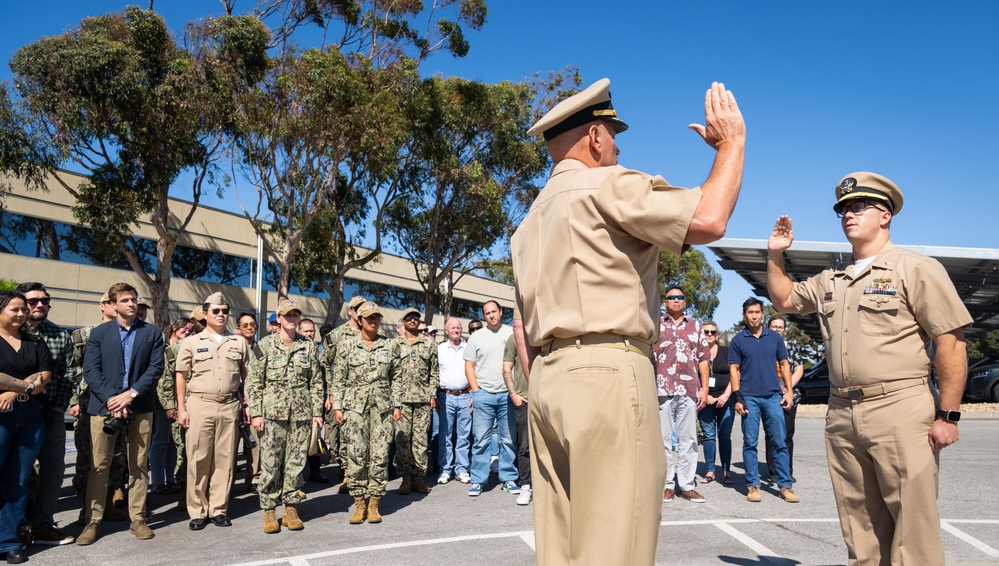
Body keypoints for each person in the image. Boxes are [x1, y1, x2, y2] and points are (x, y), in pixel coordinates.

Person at [511, 78, 744, 564]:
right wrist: (731, 145)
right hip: (608, 374)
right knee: (619, 543)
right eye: (614, 136)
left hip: (549, 383)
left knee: (563, 544)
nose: (617, 149)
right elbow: (709, 219)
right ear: (595, 137)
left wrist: (550, 383)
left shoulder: (530, 219)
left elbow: (521, 327)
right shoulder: (606, 182)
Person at [766, 172, 972, 564]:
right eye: (843, 208)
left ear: (885, 215)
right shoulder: (833, 279)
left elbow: (950, 341)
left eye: (858, 206)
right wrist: (776, 254)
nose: (848, 214)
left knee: (914, 530)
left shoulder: (916, 269)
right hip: (842, 413)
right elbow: (785, 300)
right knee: (859, 527)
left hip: (900, 407)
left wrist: (948, 414)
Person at [78, 282, 165, 545]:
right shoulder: (99, 334)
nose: (131, 304)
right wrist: (114, 399)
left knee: (138, 465)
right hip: (104, 408)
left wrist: (131, 394)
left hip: (140, 407)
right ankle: (93, 521)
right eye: (125, 300)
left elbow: (155, 368)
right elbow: (91, 371)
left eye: (134, 299)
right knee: (99, 466)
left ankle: (138, 519)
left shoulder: (151, 333)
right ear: (113, 305)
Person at [246, 299, 323, 534]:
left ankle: (291, 508)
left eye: (295, 315)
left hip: (301, 414)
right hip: (272, 415)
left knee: (296, 463)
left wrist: (317, 412)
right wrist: (256, 412)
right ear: (278, 319)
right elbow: (254, 382)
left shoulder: (309, 347)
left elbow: (316, 383)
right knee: (270, 462)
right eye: (287, 315)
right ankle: (269, 511)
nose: (291, 318)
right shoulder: (265, 346)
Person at [176, 293, 250, 530]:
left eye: (225, 311)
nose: (221, 315)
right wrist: (181, 408)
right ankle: (197, 511)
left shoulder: (238, 342)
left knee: (225, 460)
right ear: (205, 314)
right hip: (199, 405)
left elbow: (248, 376)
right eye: (216, 311)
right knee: (198, 459)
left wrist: (248, 404)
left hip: (230, 405)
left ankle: (219, 509)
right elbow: (181, 375)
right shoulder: (191, 342)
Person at [17, 283, 75, 546]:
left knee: (53, 471)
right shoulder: (9, 332)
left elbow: (69, 374)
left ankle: (42, 525)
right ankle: (15, 526)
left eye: (45, 301)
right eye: (33, 301)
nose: (40, 305)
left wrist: (59, 407)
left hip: (50, 410)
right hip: (13, 412)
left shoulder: (60, 335)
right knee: (17, 472)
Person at [332, 302, 400, 524]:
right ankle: (359, 501)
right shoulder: (347, 346)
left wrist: (396, 405)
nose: (374, 321)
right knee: (356, 456)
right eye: (369, 317)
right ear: (359, 320)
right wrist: (338, 407)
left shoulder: (389, 346)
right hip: (354, 410)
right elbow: (338, 379)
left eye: (377, 317)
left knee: (380, 456)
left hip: (382, 410)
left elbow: (397, 377)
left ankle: (374, 503)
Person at [727, 297, 797, 504]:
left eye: (757, 312)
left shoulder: (774, 338)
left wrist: (789, 392)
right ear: (744, 315)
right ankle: (753, 485)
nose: (754, 316)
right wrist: (738, 397)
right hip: (749, 398)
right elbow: (733, 370)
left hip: (773, 397)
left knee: (779, 442)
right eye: (750, 312)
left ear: (762, 314)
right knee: (750, 443)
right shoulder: (738, 340)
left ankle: (785, 486)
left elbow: (784, 364)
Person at [0, 291, 53, 565]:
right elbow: (34, 382)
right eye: (14, 309)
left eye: (23, 309)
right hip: (1, 416)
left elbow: (45, 375)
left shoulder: (34, 342)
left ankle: (9, 541)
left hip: (30, 415)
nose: (20, 314)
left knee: (18, 479)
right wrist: (26, 386)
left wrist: (13, 390)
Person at [68, 293, 129, 525]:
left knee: (117, 456)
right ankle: (87, 506)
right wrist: (73, 401)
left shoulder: (131, 332)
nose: (117, 306)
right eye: (112, 303)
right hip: (90, 402)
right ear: (103, 306)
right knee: (89, 457)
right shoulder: (84, 334)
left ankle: (109, 501)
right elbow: (72, 368)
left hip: (122, 403)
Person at [653, 287, 709, 504]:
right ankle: (667, 484)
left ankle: (686, 485)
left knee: (689, 440)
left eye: (680, 297)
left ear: (685, 301)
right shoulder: (656, 324)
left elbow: (703, 358)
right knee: (663, 440)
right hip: (662, 389)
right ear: (665, 302)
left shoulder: (695, 326)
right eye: (672, 297)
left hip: (688, 389)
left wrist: (704, 388)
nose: (676, 300)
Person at [463, 300, 517, 497]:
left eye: (494, 311)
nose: (492, 315)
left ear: (501, 312)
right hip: (484, 394)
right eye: (487, 313)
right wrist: (476, 391)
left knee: (509, 439)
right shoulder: (476, 337)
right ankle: (478, 480)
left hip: (507, 394)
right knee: (481, 441)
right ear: (483, 316)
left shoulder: (512, 332)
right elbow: (469, 366)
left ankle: (509, 478)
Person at [321, 295, 366, 494]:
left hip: (367, 395)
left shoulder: (372, 334)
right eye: (358, 309)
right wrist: (331, 392)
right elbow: (324, 363)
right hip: (346, 394)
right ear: (350, 311)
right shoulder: (337, 335)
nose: (361, 312)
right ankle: (348, 473)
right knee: (346, 436)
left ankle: (364, 474)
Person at [392, 308, 438, 495]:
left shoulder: (429, 344)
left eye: (416, 317)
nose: (413, 320)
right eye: (409, 317)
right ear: (402, 322)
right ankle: (405, 478)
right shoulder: (394, 344)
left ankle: (418, 477)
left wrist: (432, 394)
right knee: (402, 440)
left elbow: (433, 372)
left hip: (422, 401)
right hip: (401, 400)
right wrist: (394, 401)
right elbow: (391, 374)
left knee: (420, 441)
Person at [151, 318, 193, 497]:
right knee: (160, 442)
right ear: (174, 328)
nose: (187, 332)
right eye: (184, 328)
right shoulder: (163, 346)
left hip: (182, 404)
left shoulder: (188, 347)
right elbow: (163, 379)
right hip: (162, 403)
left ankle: (172, 479)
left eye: (190, 330)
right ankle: (158, 481)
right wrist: (168, 405)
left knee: (175, 445)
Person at [763, 316, 804, 483]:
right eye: (774, 326)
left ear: (784, 329)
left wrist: (788, 388)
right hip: (769, 395)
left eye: (780, 327)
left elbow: (799, 369)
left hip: (789, 395)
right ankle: (774, 471)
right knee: (771, 435)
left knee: (787, 434)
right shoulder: (764, 346)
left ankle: (786, 470)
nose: (777, 329)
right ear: (768, 327)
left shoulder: (792, 346)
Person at [696, 321, 734, 485]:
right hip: (705, 400)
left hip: (725, 399)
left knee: (725, 436)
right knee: (709, 436)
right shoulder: (695, 353)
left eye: (712, 332)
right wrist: (705, 394)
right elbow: (692, 376)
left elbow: (735, 374)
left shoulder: (727, 352)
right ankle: (710, 471)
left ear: (717, 335)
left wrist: (726, 395)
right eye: (705, 332)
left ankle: (726, 472)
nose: (709, 334)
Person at [436, 318, 471, 485]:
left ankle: (462, 469)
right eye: (453, 328)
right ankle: (445, 469)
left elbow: (475, 371)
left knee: (464, 436)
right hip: (446, 397)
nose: (456, 330)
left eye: (459, 327)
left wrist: (473, 395)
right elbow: (433, 374)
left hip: (465, 396)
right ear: (446, 330)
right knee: (445, 436)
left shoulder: (469, 348)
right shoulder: (440, 349)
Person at [501, 333, 532, 506]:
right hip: (524, 399)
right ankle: (526, 485)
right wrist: (513, 394)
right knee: (525, 446)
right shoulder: (515, 337)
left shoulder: (546, 331)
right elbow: (506, 368)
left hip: (547, 398)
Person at [296, 318, 327, 484]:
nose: (309, 334)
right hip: (298, 402)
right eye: (306, 331)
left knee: (315, 438)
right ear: (299, 331)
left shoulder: (316, 348)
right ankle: (297, 478)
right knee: (298, 442)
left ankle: (315, 471)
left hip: (315, 400)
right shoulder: (297, 347)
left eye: (311, 331)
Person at [235, 312, 261, 493]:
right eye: (245, 325)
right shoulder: (231, 347)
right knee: (229, 446)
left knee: (254, 443)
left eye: (252, 324)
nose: (249, 327)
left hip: (254, 403)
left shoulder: (262, 348)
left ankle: (254, 479)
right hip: (233, 401)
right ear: (238, 328)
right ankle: (226, 483)